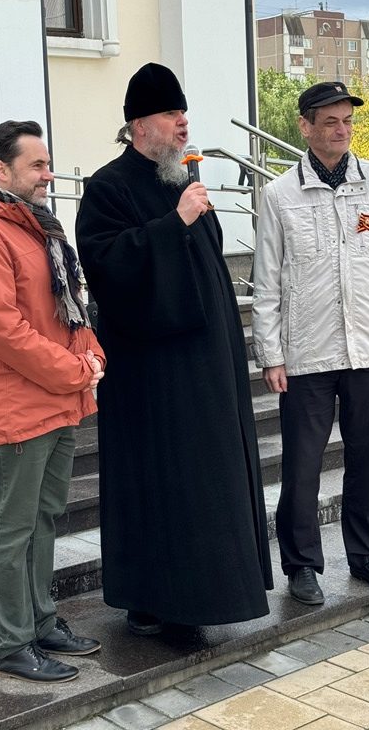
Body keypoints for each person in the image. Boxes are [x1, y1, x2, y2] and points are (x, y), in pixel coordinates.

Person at [75, 62, 273, 635]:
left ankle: (210, 595)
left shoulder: (180, 180)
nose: (183, 124)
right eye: (171, 114)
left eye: (184, 113)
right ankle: (158, 600)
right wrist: (174, 223)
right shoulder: (109, 187)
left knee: (207, 481)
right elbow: (107, 266)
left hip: (206, 365)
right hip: (153, 374)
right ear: (139, 125)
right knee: (161, 482)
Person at [252, 82, 369, 606]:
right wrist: (271, 353)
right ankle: (302, 564)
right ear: (304, 126)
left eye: (347, 121)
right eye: (330, 121)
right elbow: (267, 281)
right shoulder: (279, 195)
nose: (342, 130)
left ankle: (367, 556)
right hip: (306, 352)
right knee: (302, 466)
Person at [0, 120, 106, 683]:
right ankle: (12, 644)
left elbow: (66, 307)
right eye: (37, 165)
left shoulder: (35, 225)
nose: (49, 174)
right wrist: (74, 371)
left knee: (43, 518)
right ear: (2, 169)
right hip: (16, 403)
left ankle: (41, 622)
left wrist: (91, 351)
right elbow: (1, 331)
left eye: (47, 163)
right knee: (11, 528)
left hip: (55, 399)